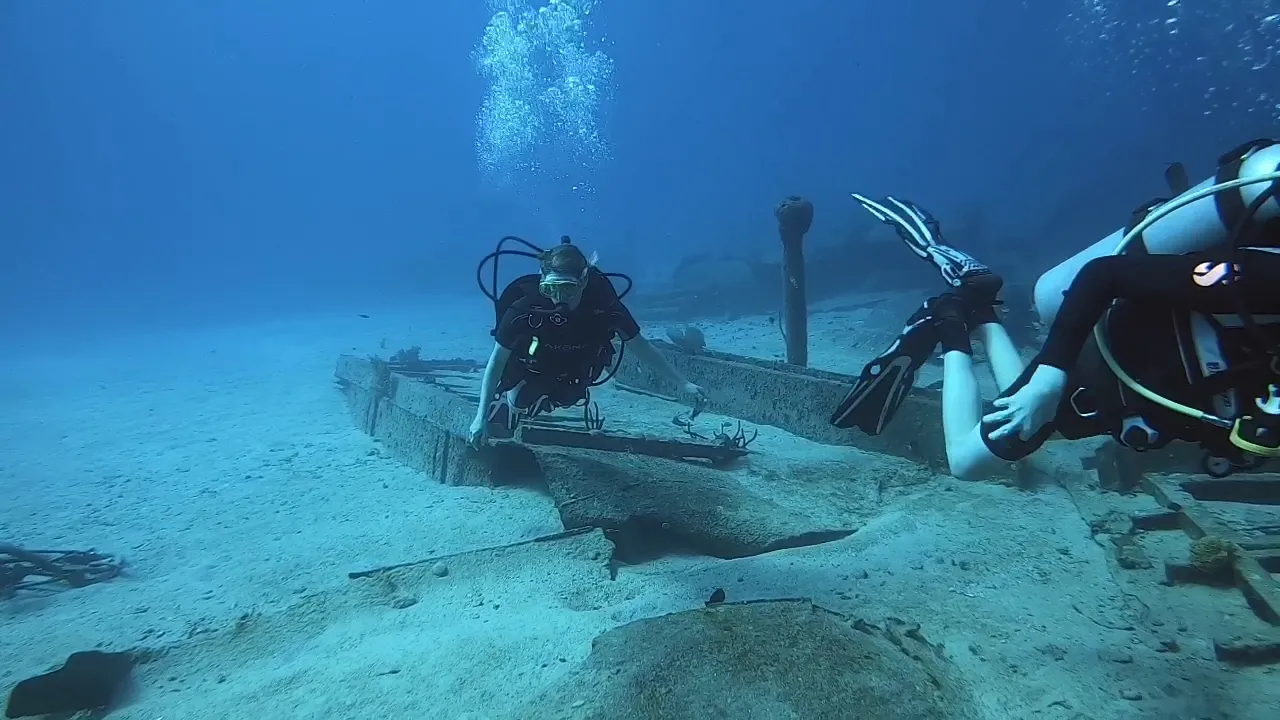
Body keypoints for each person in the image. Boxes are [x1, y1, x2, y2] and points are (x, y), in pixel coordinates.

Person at [831, 138, 1280, 479]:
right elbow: (1105, 274)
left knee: (1021, 403)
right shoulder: (1268, 282)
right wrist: (1050, 375)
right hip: (1111, 355)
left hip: (1135, 394)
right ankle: (950, 320)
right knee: (967, 460)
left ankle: (978, 302)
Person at [468, 236, 708, 448]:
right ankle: (515, 399)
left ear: (583, 281)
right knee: (522, 398)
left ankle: (541, 399)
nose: (559, 300)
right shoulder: (524, 308)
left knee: (569, 396)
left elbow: (641, 347)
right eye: (551, 289)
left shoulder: (605, 307)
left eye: (568, 290)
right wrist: (480, 417)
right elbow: (497, 360)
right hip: (532, 361)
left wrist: (683, 383)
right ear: (542, 281)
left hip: (575, 366)